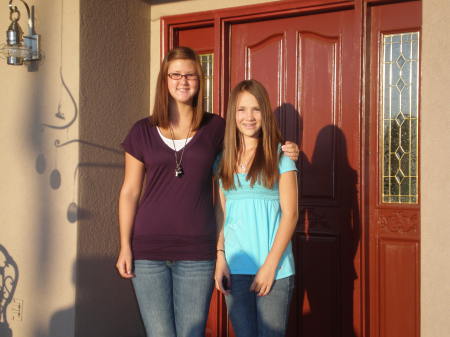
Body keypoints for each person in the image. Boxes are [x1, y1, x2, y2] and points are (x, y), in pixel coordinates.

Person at [115, 47, 298, 337]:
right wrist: (125, 244)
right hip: (148, 250)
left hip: (196, 253)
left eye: (190, 74)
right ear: (164, 80)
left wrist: (287, 148)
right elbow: (129, 192)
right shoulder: (142, 131)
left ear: (200, 81)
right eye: (175, 74)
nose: (182, 81)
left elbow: (249, 139)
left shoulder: (215, 128)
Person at [214, 79, 298, 337]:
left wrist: (270, 266)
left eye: (255, 109)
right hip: (235, 268)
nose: (248, 117)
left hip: (275, 269)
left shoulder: (281, 156)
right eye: (241, 109)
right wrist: (220, 257)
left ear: (265, 113)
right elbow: (224, 215)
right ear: (233, 115)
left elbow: (291, 214)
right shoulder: (223, 160)